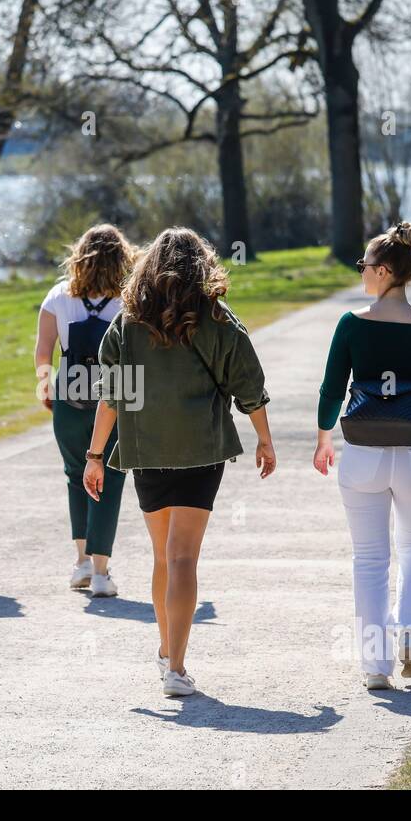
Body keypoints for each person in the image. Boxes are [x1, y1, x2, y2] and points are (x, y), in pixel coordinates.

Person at [84, 227, 276, 697]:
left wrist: (94, 455)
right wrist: (264, 441)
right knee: (184, 556)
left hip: (146, 452)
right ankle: (177, 667)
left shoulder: (128, 323)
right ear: (203, 266)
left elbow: (111, 396)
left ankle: (167, 650)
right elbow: (249, 385)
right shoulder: (217, 319)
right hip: (201, 452)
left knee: (161, 556)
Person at [313, 221, 411, 690]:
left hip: (363, 453)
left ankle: (376, 666)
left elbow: (332, 391)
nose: (361, 272)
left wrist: (323, 438)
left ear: (385, 271)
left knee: (370, 559)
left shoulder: (352, 324)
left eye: (365, 266)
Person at [34, 225, 132, 598]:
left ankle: (81, 563)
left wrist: (46, 387)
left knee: (76, 475)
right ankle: (103, 573)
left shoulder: (58, 295)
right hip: (121, 390)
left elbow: (44, 352)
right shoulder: (130, 298)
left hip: (70, 389)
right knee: (112, 477)